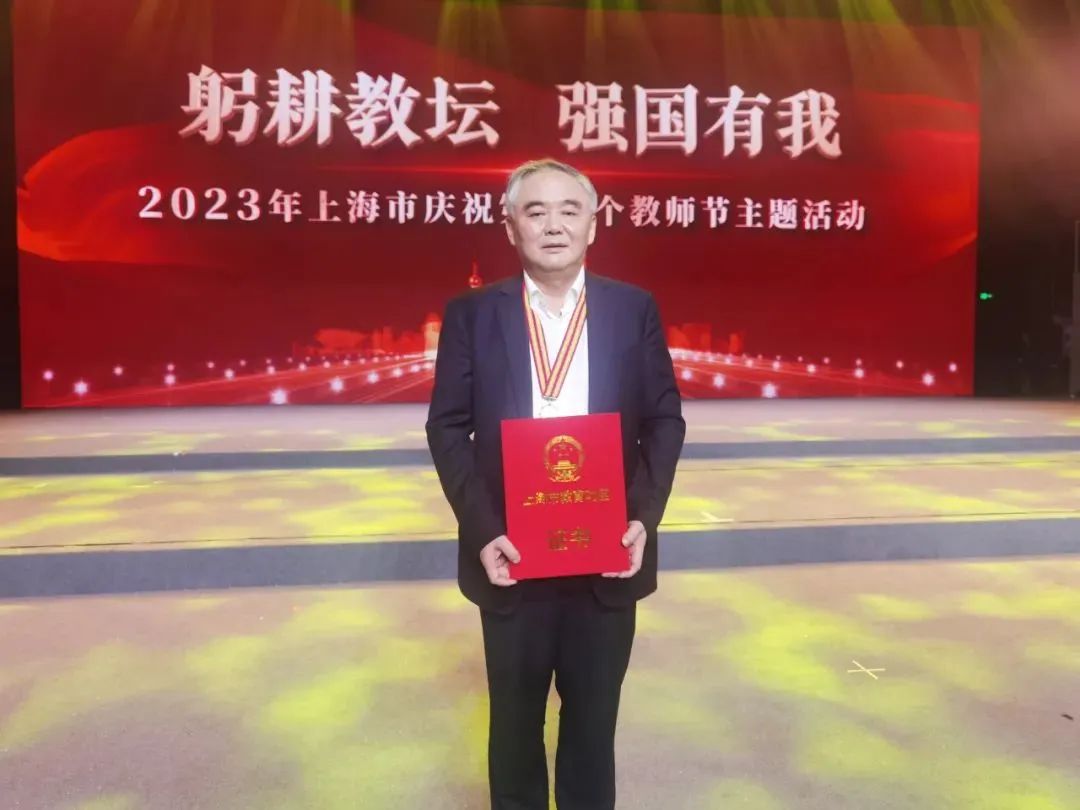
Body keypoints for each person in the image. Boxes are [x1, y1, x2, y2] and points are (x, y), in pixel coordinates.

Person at [426, 158, 685, 810]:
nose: (553, 225)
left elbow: (665, 421)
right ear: (510, 226)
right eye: (535, 211)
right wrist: (483, 530)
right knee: (514, 726)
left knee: (594, 725)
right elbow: (447, 427)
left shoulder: (632, 309)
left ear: (592, 225)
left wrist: (642, 517)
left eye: (570, 210)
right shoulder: (472, 314)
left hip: (608, 551)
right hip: (511, 552)